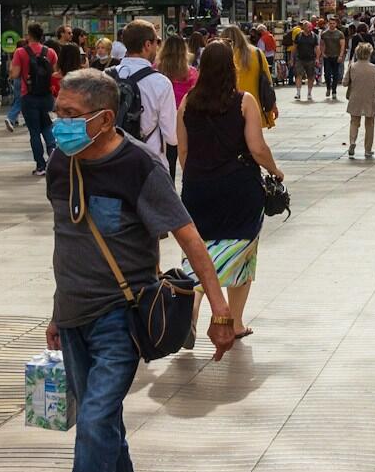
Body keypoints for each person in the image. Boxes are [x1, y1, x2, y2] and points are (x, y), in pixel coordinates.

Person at [33, 69, 238, 472]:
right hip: (74, 317)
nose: (62, 124)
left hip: (120, 320)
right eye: (60, 112)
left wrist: (220, 310)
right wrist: (57, 312)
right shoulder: (60, 161)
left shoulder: (139, 166)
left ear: (105, 118)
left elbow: (189, 238)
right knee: (105, 429)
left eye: (74, 116)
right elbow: (66, 240)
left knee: (95, 424)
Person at [176, 44, 284, 342]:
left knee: (197, 252)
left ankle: (191, 313)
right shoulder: (243, 101)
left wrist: (198, 177)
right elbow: (257, 148)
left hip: (197, 189)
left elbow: (182, 150)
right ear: (231, 67)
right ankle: (234, 323)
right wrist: (276, 171)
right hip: (239, 189)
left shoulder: (187, 102)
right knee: (243, 251)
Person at [110, 20, 175, 169]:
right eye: (156, 42)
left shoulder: (106, 76)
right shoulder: (161, 83)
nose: (157, 47)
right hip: (149, 163)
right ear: (147, 45)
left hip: (112, 160)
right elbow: (172, 137)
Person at [12, 23, 60, 173]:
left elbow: (14, 74)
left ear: (29, 35)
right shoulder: (50, 52)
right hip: (47, 96)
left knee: (34, 132)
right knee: (47, 127)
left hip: (29, 95)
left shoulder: (20, 52)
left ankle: (40, 165)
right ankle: (53, 156)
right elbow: (56, 73)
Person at [156, 34, 196, 177]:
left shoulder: (156, 69)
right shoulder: (191, 73)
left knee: (168, 160)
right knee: (188, 155)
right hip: (185, 118)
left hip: (162, 118)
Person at [222, 25, 276, 129]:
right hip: (254, 108)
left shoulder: (222, 55)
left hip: (227, 109)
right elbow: (268, 81)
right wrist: (273, 105)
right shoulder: (257, 53)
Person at [343, 42, 375, 159]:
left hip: (355, 97)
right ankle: (367, 149)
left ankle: (352, 142)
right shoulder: (374, 68)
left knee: (354, 122)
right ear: (369, 53)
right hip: (369, 98)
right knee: (370, 124)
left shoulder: (352, 67)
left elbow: (345, 83)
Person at [291, 21, 320, 103]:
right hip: (300, 59)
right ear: (304, 27)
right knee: (298, 75)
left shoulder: (314, 36)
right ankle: (298, 92)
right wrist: (292, 58)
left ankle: (309, 93)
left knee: (311, 76)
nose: (310, 29)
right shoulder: (299, 36)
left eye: (311, 27)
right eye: (308, 27)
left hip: (311, 59)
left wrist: (317, 58)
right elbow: (294, 47)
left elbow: (317, 48)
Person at [319, 21, 345, 101]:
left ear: (336, 24)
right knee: (327, 74)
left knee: (335, 74)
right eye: (330, 23)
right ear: (328, 24)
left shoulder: (340, 34)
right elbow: (322, 44)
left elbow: (342, 45)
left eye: (334, 23)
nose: (332, 25)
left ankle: (334, 91)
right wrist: (322, 53)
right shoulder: (324, 33)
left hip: (336, 56)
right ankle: (328, 88)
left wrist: (341, 55)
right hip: (327, 56)